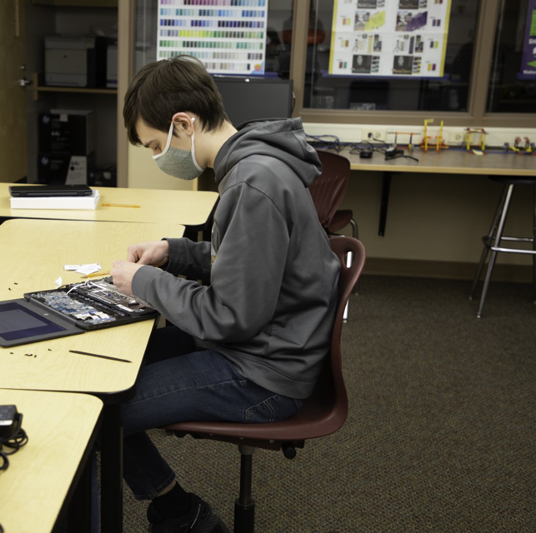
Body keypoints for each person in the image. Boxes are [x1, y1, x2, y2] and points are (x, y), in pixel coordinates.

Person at [110, 56, 340, 533]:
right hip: (261, 348)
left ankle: (179, 515)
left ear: (184, 124)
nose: (159, 155)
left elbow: (231, 315)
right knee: (102, 370)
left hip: (262, 374)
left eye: (156, 145)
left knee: (92, 413)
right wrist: (172, 253)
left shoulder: (253, 182)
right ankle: (179, 512)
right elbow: (239, 263)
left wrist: (145, 284)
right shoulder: (253, 164)